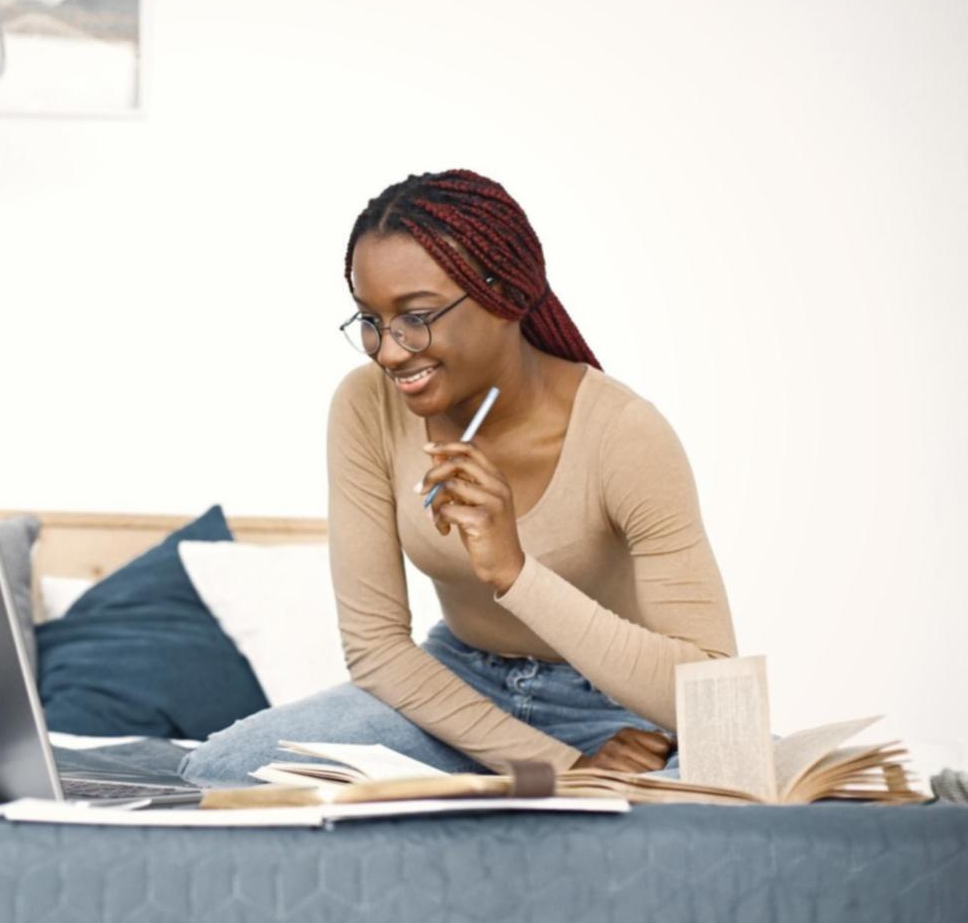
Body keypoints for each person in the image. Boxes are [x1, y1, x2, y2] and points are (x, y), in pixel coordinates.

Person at [179, 169, 738, 787]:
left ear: (506, 296)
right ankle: (521, 789)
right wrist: (560, 769)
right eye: (370, 320)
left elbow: (713, 691)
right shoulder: (366, 406)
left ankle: (514, 792)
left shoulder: (625, 434)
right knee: (224, 768)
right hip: (453, 691)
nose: (390, 351)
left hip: (615, 708)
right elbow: (376, 648)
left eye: (416, 317)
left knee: (742, 784)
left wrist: (515, 572)